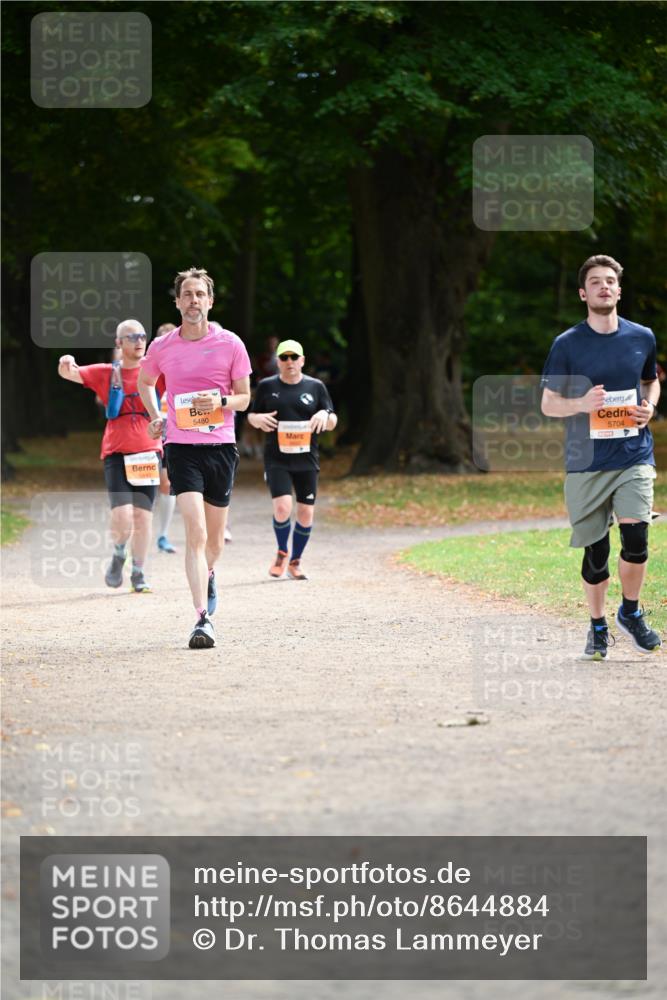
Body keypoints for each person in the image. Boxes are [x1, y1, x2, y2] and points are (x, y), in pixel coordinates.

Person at [540, 254, 661, 659]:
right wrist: (581, 404)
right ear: (583, 292)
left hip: (633, 456)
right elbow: (548, 404)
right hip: (586, 462)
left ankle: (630, 611)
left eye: (610, 280)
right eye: (596, 282)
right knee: (596, 555)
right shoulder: (567, 344)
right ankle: (597, 625)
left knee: (636, 540)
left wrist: (650, 407)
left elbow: (650, 381)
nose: (604, 286)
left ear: (619, 289)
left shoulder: (641, 336)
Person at [137, 268, 251, 649]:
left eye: (199, 294)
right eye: (186, 294)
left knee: (214, 541)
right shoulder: (163, 346)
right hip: (181, 447)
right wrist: (156, 415)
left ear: (210, 301)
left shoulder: (231, 343)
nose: (193, 301)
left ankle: (210, 571)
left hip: (220, 447)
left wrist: (219, 401)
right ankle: (202, 618)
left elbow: (244, 398)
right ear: (177, 301)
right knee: (196, 533)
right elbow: (145, 382)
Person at [58, 319, 162, 593]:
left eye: (142, 336)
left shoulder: (156, 373)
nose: (139, 341)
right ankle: (118, 554)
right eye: (132, 337)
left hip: (149, 452)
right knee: (122, 515)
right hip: (116, 452)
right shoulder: (107, 373)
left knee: (143, 517)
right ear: (119, 343)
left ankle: (138, 572)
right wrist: (66, 360)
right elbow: (70, 373)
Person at [247, 339, 337, 580]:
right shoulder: (267, 386)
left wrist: (324, 414)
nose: (289, 362)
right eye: (284, 357)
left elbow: (332, 418)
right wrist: (257, 420)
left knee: (306, 513)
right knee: (282, 507)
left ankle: (295, 561)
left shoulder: (316, 386)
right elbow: (252, 415)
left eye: (294, 357)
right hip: (277, 457)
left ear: (302, 361)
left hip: (307, 458)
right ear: (278, 361)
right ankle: (282, 551)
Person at [153, 323, 178, 553]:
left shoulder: (181, 367)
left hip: (173, 434)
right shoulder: (148, 368)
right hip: (148, 434)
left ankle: (163, 534)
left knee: (167, 483)